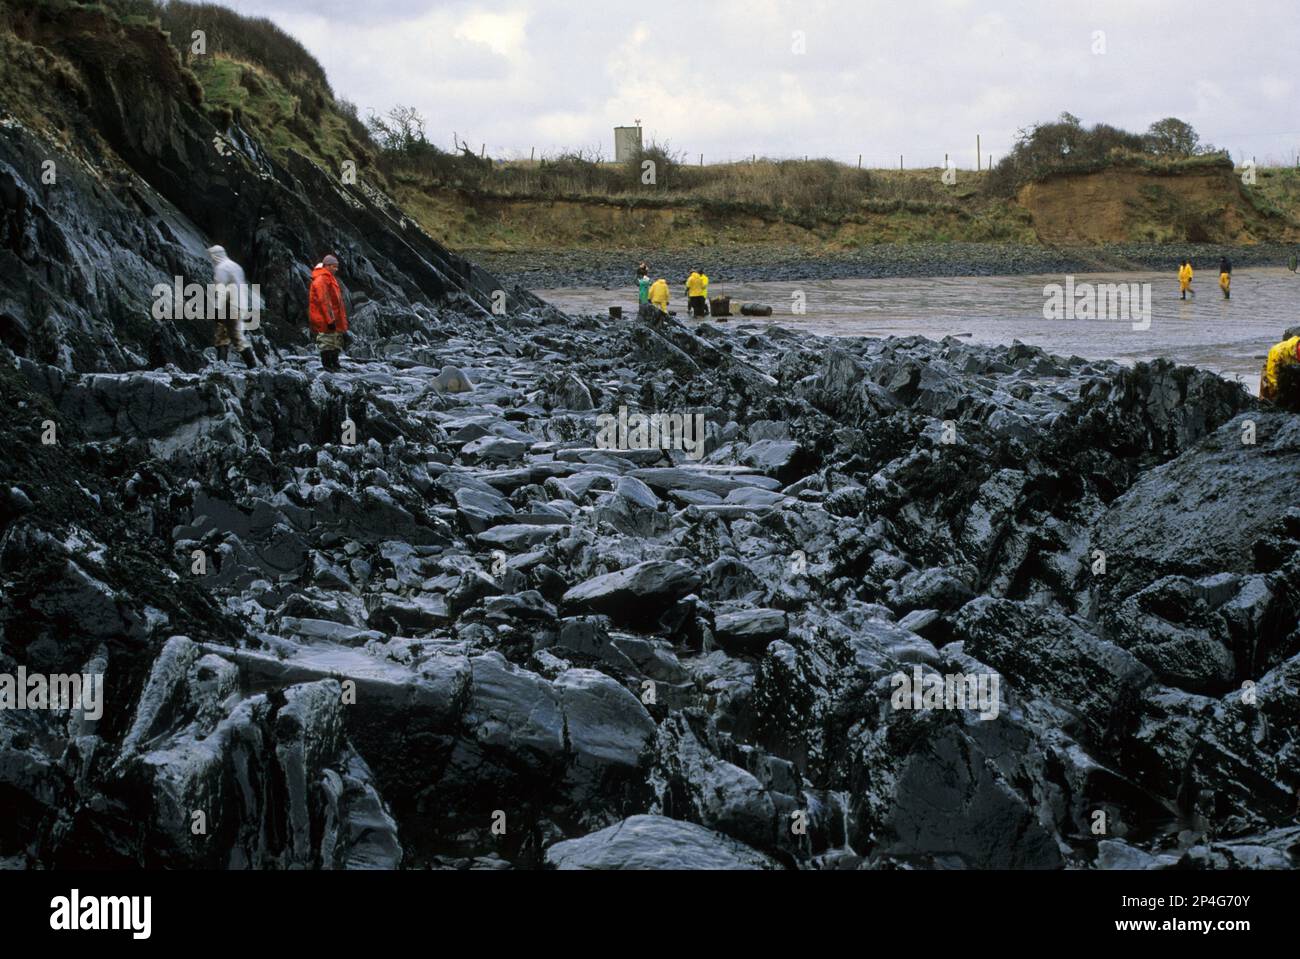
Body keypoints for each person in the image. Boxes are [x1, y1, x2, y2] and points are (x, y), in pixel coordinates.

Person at [206, 245, 257, 368]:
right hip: (240, 303)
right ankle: (221, 367)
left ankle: (252, 366)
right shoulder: (235, 266)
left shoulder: (221, 268)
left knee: (235, 336)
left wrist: (217, 309)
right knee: (222, 335)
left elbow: (221, 290)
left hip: (229, 305)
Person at [309, 254, 348, 371]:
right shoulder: (321, 280)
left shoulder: (329, 278)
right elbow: (324, 301)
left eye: (337, 267)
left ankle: (334, 363)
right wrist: (330, 320)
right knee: (326, 341)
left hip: (333, 316)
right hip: (324, 318)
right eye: (334, 267)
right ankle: (327, 365)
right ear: (327, 266)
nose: (336, 269)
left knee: (335, 340)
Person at [1260, 328, 1300, 410]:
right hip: (1274, 370)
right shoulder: (1278, 351)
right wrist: (1281, 393)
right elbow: (1272, 376)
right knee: (1269, 396)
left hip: (1294, 372)